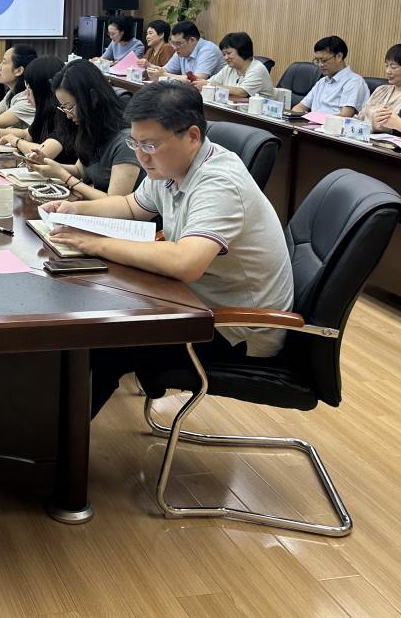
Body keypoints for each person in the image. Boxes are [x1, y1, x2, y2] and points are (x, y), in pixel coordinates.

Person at [40, 81, 294, 417]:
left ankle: (57, 442)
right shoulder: (169, 166)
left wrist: (97, 244)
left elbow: (186, 262)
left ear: (192, 137)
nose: (141, 155)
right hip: (192, 301)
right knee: (91, 318)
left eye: (150, 144)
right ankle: (49, 426)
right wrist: (75, 210)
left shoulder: (219, 182)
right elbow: (132, 206)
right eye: (135, 143)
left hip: (234, 330)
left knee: (105, 341)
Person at [22, 60, 140, 199]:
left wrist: (65, 177)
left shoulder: (125, 142)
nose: (67, 115)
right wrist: (46, 162)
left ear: (93, 98)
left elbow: (115, 202)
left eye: (70, 107)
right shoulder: (92, 129)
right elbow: (79, 171)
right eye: (63, 108)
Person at [1, 56, 66, 154]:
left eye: (29, 88)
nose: (27, 94)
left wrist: (16, 141)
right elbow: (26, 133)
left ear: (41, 90)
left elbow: (44, 152)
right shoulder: (45, 113)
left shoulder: (63, 114)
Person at [292, 36, 368, 117]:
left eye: (324, 60)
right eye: (317, 61)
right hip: (311, 123)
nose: (320, 65)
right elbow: (299, 107)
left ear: (339, 56)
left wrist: (315, 118)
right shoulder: (322, 82)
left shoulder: (354, 82)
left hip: (332, 125)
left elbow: (345, 116)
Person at [356, 43, 401, 127]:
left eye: (393, 67)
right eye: (386, 66)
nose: (388, 71)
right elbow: (360, 117)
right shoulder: (381, 90)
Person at [195, 32, 272, 100]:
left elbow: (242, 92)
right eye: (224, 54)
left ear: (242, 51)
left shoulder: (257, 69)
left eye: (229, 53)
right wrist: (198, 82)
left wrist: (209, 85)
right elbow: (211, 82)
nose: (225, 58)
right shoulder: (228, 68)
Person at [156, 21, 221, 80]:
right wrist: (153, 69)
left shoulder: (208, 50)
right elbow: (164, 70)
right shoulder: (180, 51)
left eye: (178, 44)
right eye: (173, 43)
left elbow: (196, 79)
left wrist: (165, 75)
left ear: (192, 40)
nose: (174, 48)